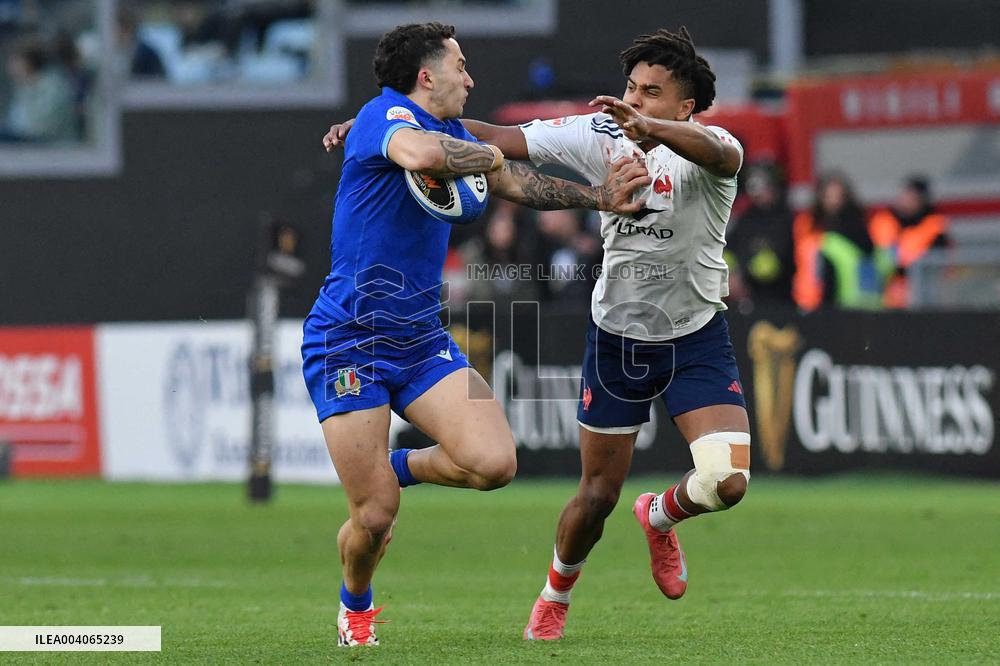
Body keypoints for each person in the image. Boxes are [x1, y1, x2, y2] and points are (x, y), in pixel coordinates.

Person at [324, 25, 751, 641]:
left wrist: (645, 140)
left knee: (724, 483)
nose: (633, 102)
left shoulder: (713, 145)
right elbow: (488, 142)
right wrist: (373, 126)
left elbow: (719, 155)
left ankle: (658, 516)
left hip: (695, 333)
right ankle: (553, 594)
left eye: (651, 94)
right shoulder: (597, 133)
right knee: (594, 496)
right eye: (630, 88)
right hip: (617, 338)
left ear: (684, 107)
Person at [792, 173, 890, 310]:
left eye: (838, 196)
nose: (833, 202)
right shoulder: (806, 224)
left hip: (846, 301)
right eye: (828, 196)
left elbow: (869, 259)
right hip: (808, 300)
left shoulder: (856, 227)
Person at [868, 176, 950, 308]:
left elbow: (936, 264)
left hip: (919, 299)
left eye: (913, 198)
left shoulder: (933, 226)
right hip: (882, 296)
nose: (907, 201)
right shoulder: (883, 221)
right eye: (906, 196)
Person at [725, 161, 796, 307]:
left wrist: (743, 275)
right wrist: (729, 276)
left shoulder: (787, 220)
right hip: (746, 302)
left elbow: (770, 266)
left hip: (779, 301)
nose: (757, 193)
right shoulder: (746, 219)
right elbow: (728, 250)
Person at [0, 36, 76, 143]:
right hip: (28, 147)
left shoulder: (52, 87)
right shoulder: (23, 87)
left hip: (53, 149)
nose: (10, 68)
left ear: (27, 63)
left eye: (14, 62)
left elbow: (40, 128)